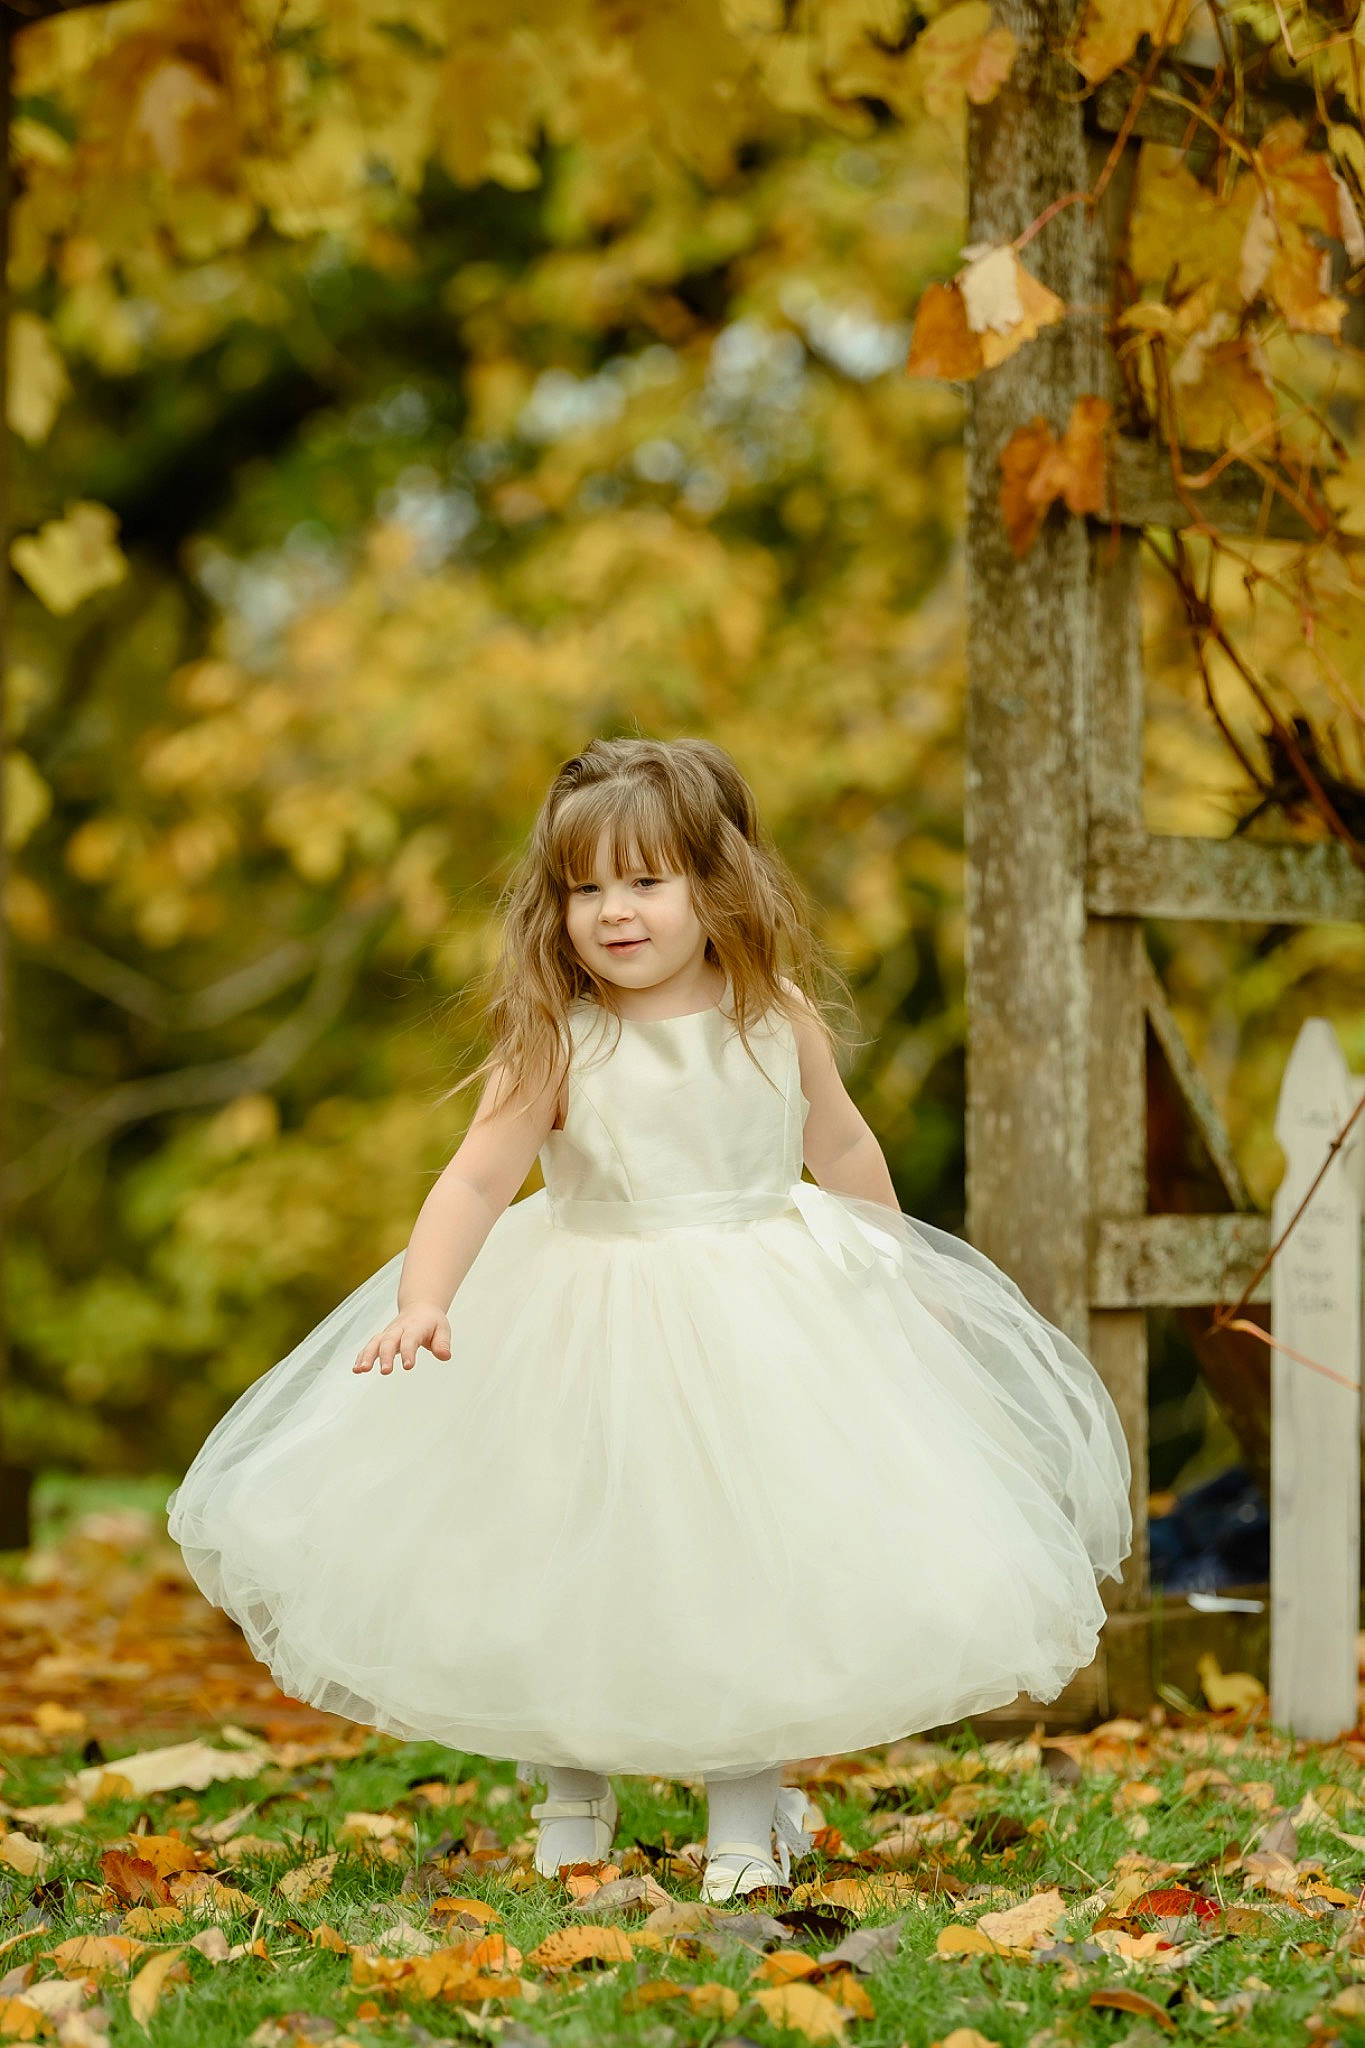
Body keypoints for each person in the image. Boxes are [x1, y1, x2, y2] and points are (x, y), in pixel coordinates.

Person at [166, 735, 1132, 1904]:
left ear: (715, 885)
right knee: (571, 1552)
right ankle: (573, 1796)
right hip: (590, 1309)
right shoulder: (560, 1038)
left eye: (644, 880)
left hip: (764, 1318)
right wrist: (426, 1296)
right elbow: (476, 1177)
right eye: (586, 887)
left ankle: (744, 1809)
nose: (613, 912)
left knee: (747, 1555)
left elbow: (840, 1142)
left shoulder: (774, 1016)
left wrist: (897, 1265)